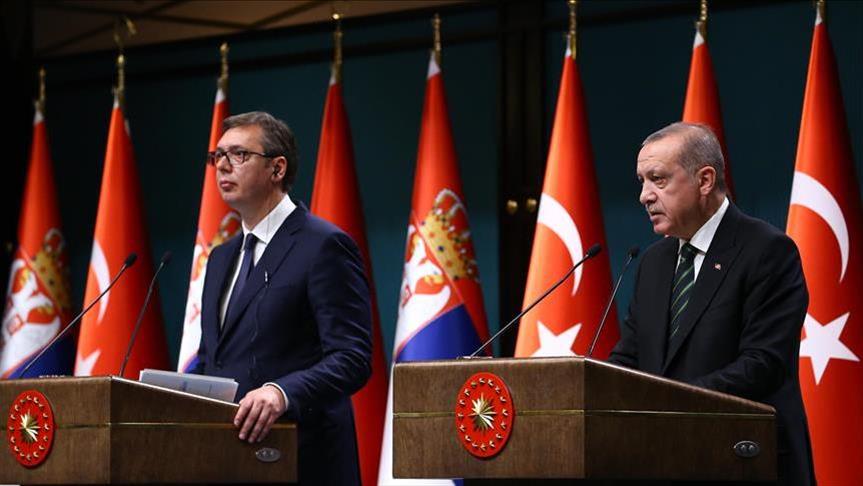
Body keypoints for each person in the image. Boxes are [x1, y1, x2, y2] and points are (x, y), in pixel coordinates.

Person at [608, 122, 815, 485]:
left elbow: (761, 364)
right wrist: (591, 388)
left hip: (747, 459)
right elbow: (630, 357)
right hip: (666, 460)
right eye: (642, 181)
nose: (644, 196)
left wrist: (668, 402)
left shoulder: (767, 251)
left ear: (705, 180)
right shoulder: (654, 262)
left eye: (658, 179)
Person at [191, 111, 372, 485]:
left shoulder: (324, 245)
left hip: (302, 459)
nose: (222, 165)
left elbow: (352, 357)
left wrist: (282, 392)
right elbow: (215, 360)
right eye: (217, 156)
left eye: (239, 154)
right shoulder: (220, 258)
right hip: (230, 461)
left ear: (277, 168)